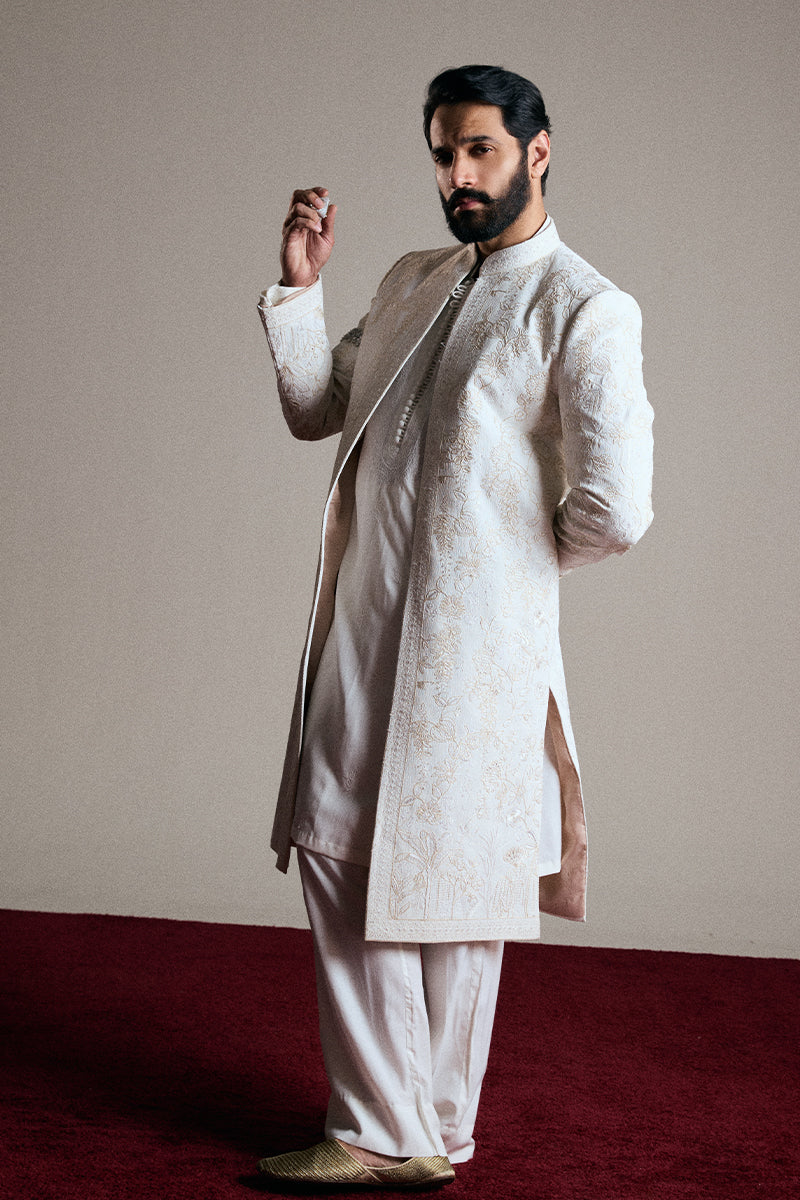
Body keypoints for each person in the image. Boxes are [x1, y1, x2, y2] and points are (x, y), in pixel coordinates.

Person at [255, 64, 654, 1190]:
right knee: (336, 843)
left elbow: (616, 508)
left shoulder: (581, 304)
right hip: (361, 624)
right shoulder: (410, 279)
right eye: (443, 153)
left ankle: (420, 1128)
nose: (458, 175)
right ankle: (392, 1127)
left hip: (475, 652)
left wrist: (501, 571)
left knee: (457, 880)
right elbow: (316, 409)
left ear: (536, 153)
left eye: (479, 150)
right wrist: (299, 293)